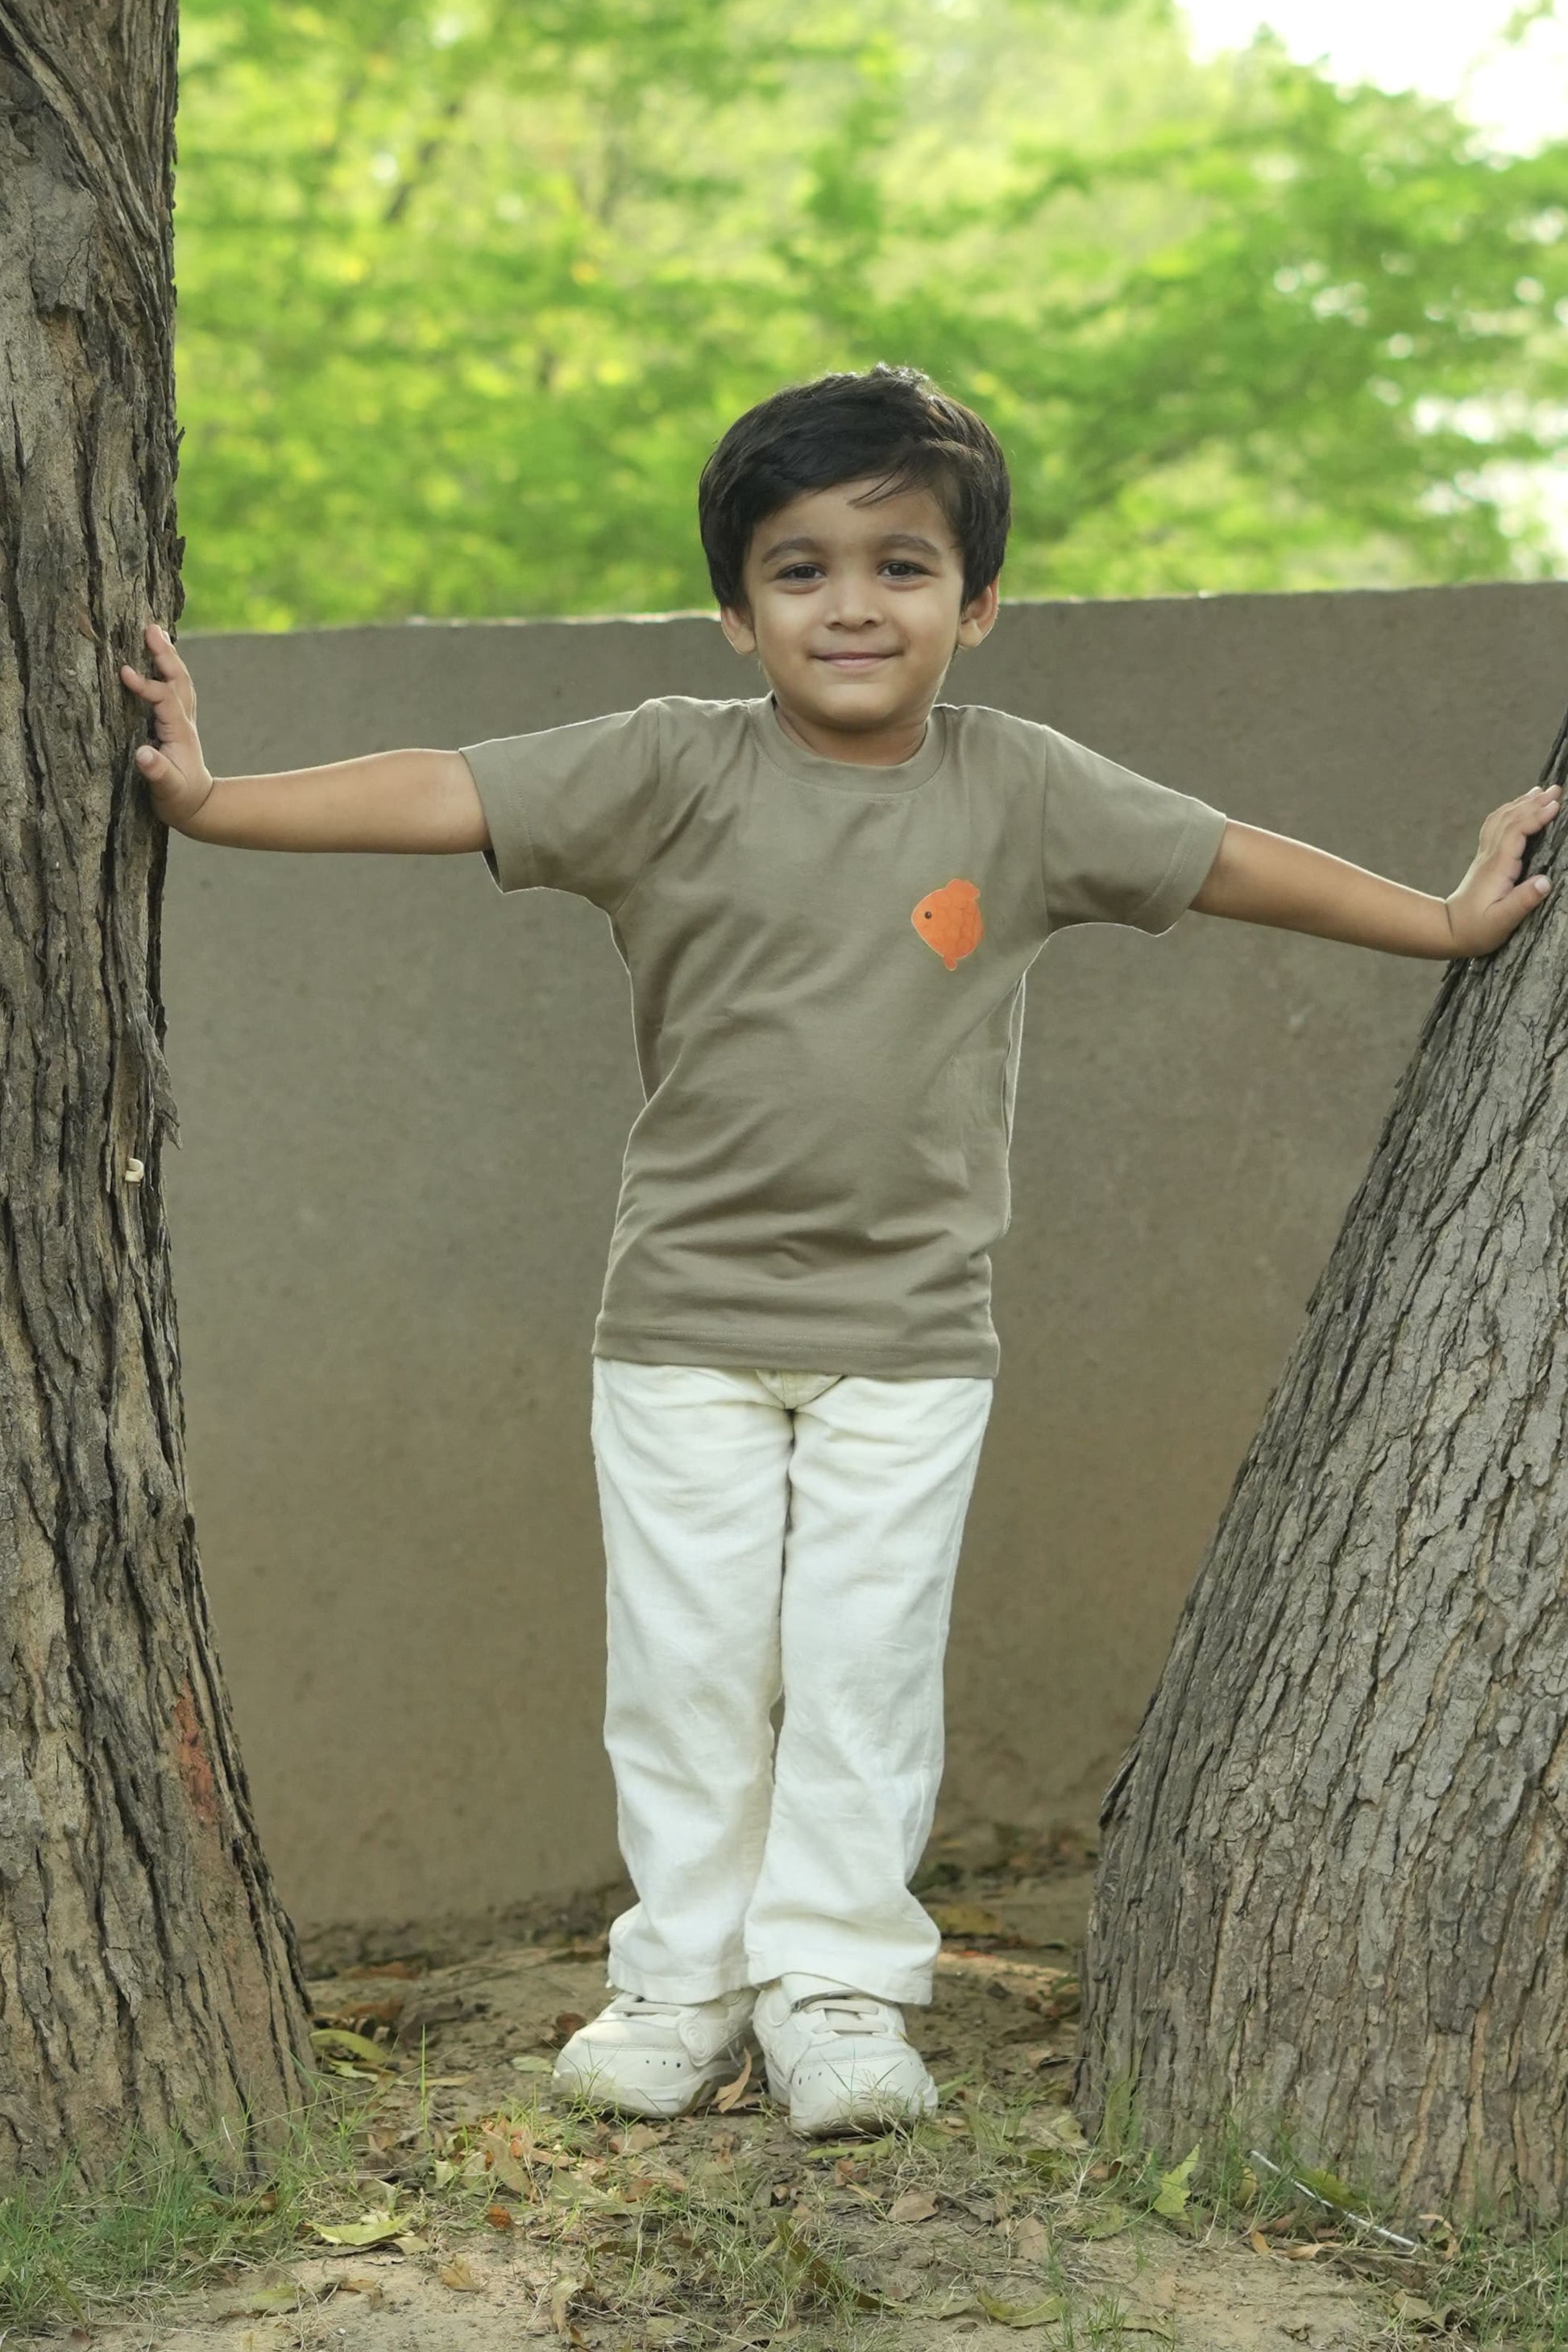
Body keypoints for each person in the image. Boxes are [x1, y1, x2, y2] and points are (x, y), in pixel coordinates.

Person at [122, 363, 1558, 2138]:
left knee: (865, 1671)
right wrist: (209, 797)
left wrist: (1436, 918)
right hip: (679, 1327)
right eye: (800, 568)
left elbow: (1221, 860)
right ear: (736, 612)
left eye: (900, 562)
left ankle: (838, 1991)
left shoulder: (1021, 787)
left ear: (978, 600)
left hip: (910, 1336)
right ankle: (680, 1984)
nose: (853, 603)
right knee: (689, 1670)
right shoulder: (666, 762)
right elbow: (443, 787)